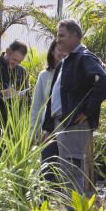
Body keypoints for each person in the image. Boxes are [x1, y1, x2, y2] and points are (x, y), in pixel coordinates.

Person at [43, 19, 106, 197]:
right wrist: (48, 127)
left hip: (73, 125)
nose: (58, 40)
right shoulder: (68, 61)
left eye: (62, 36)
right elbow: (54, 96)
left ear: (74, 36)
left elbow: (104, 82)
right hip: (62, 124)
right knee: (65, 171)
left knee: (72, 171)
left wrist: (86, 111)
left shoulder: (83, 58)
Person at [31, 40, 66, 182]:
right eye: (59, 49)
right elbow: (37, 105)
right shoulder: (44, 76)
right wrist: (33, 131)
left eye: (65, 50)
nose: (62, 53)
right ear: (52, 52)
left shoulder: (72, 73)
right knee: (47, 167)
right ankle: (44, 201)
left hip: (67, 126)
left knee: (66, 169)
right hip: (48, 128)